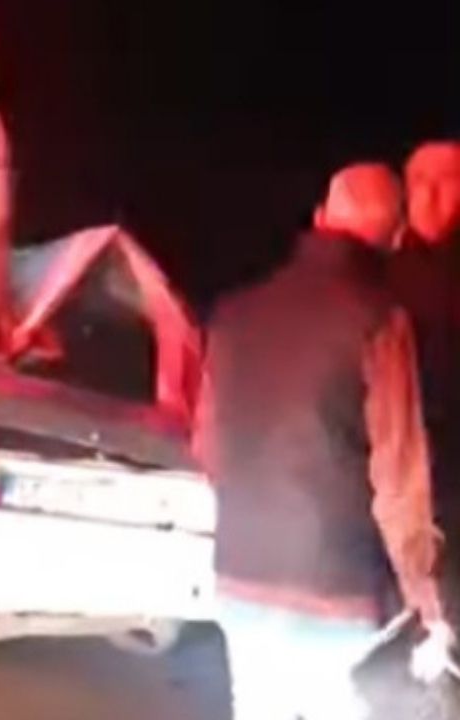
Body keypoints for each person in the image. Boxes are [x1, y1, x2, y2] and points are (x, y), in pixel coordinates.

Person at [195, 162, 444, 719]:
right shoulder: (380, 320)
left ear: (319, 217)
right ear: (397, 237)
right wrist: (427, 601)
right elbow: (398, 480)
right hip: (339, 592)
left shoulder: (234, 314)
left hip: (241, 578)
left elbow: (208, 449)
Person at [389, 141, 460, 630]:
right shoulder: (379, 270)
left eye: (446, 181)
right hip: (402, 472)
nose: (431, 195)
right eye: (419, 183)